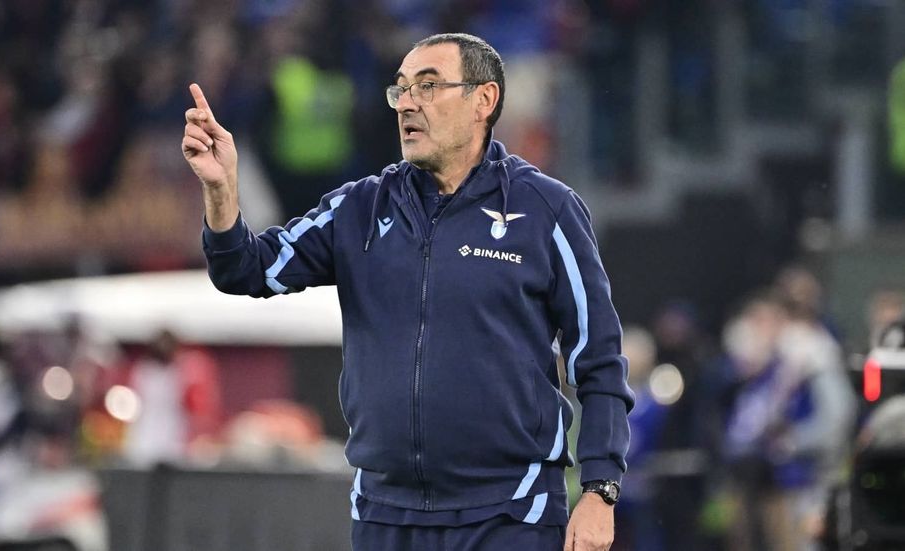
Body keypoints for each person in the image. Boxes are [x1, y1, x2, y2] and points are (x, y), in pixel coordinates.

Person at [182, 33, 633, 551]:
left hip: (510, 513)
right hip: (385, 515)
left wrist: (600, 490)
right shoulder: (360, 209)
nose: (408, 104)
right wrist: (221, 191)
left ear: (483, 101)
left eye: (428, 85)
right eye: (400, 90)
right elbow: (246, 270)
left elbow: (598, 360)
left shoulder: (546, 211)